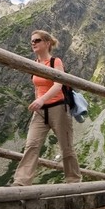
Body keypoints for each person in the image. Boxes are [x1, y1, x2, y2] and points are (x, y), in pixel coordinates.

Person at [11, 30, 82, 186]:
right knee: (31, 145)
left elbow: (59, 84)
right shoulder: (34, 64)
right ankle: (21, 183)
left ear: (47, 43)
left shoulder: (55, 62)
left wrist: (41, 100)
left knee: (67, 147)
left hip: (58, 108)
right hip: (40, 112)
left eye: (36, 40)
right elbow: (37, 86)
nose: (33, 43)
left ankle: (74, 182)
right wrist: (38, 101)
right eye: (32, 41)